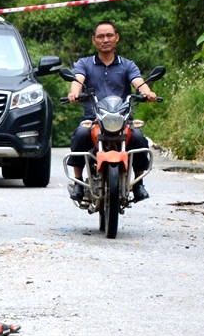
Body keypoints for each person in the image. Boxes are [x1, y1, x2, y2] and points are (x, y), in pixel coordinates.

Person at [67, 21, 158, 201]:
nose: (105, 40)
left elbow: (138, 81)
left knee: (138, 137)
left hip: (122, 119)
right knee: (80, 134)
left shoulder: (127, 65)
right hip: (94, 118)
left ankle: (138, 184)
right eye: (100, 36)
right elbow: (78, 80)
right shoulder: (85, 63)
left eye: (109, 35)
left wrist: (147, 92)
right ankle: (78, 182)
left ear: (116, 38)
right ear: (94, 40)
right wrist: (74, 93)